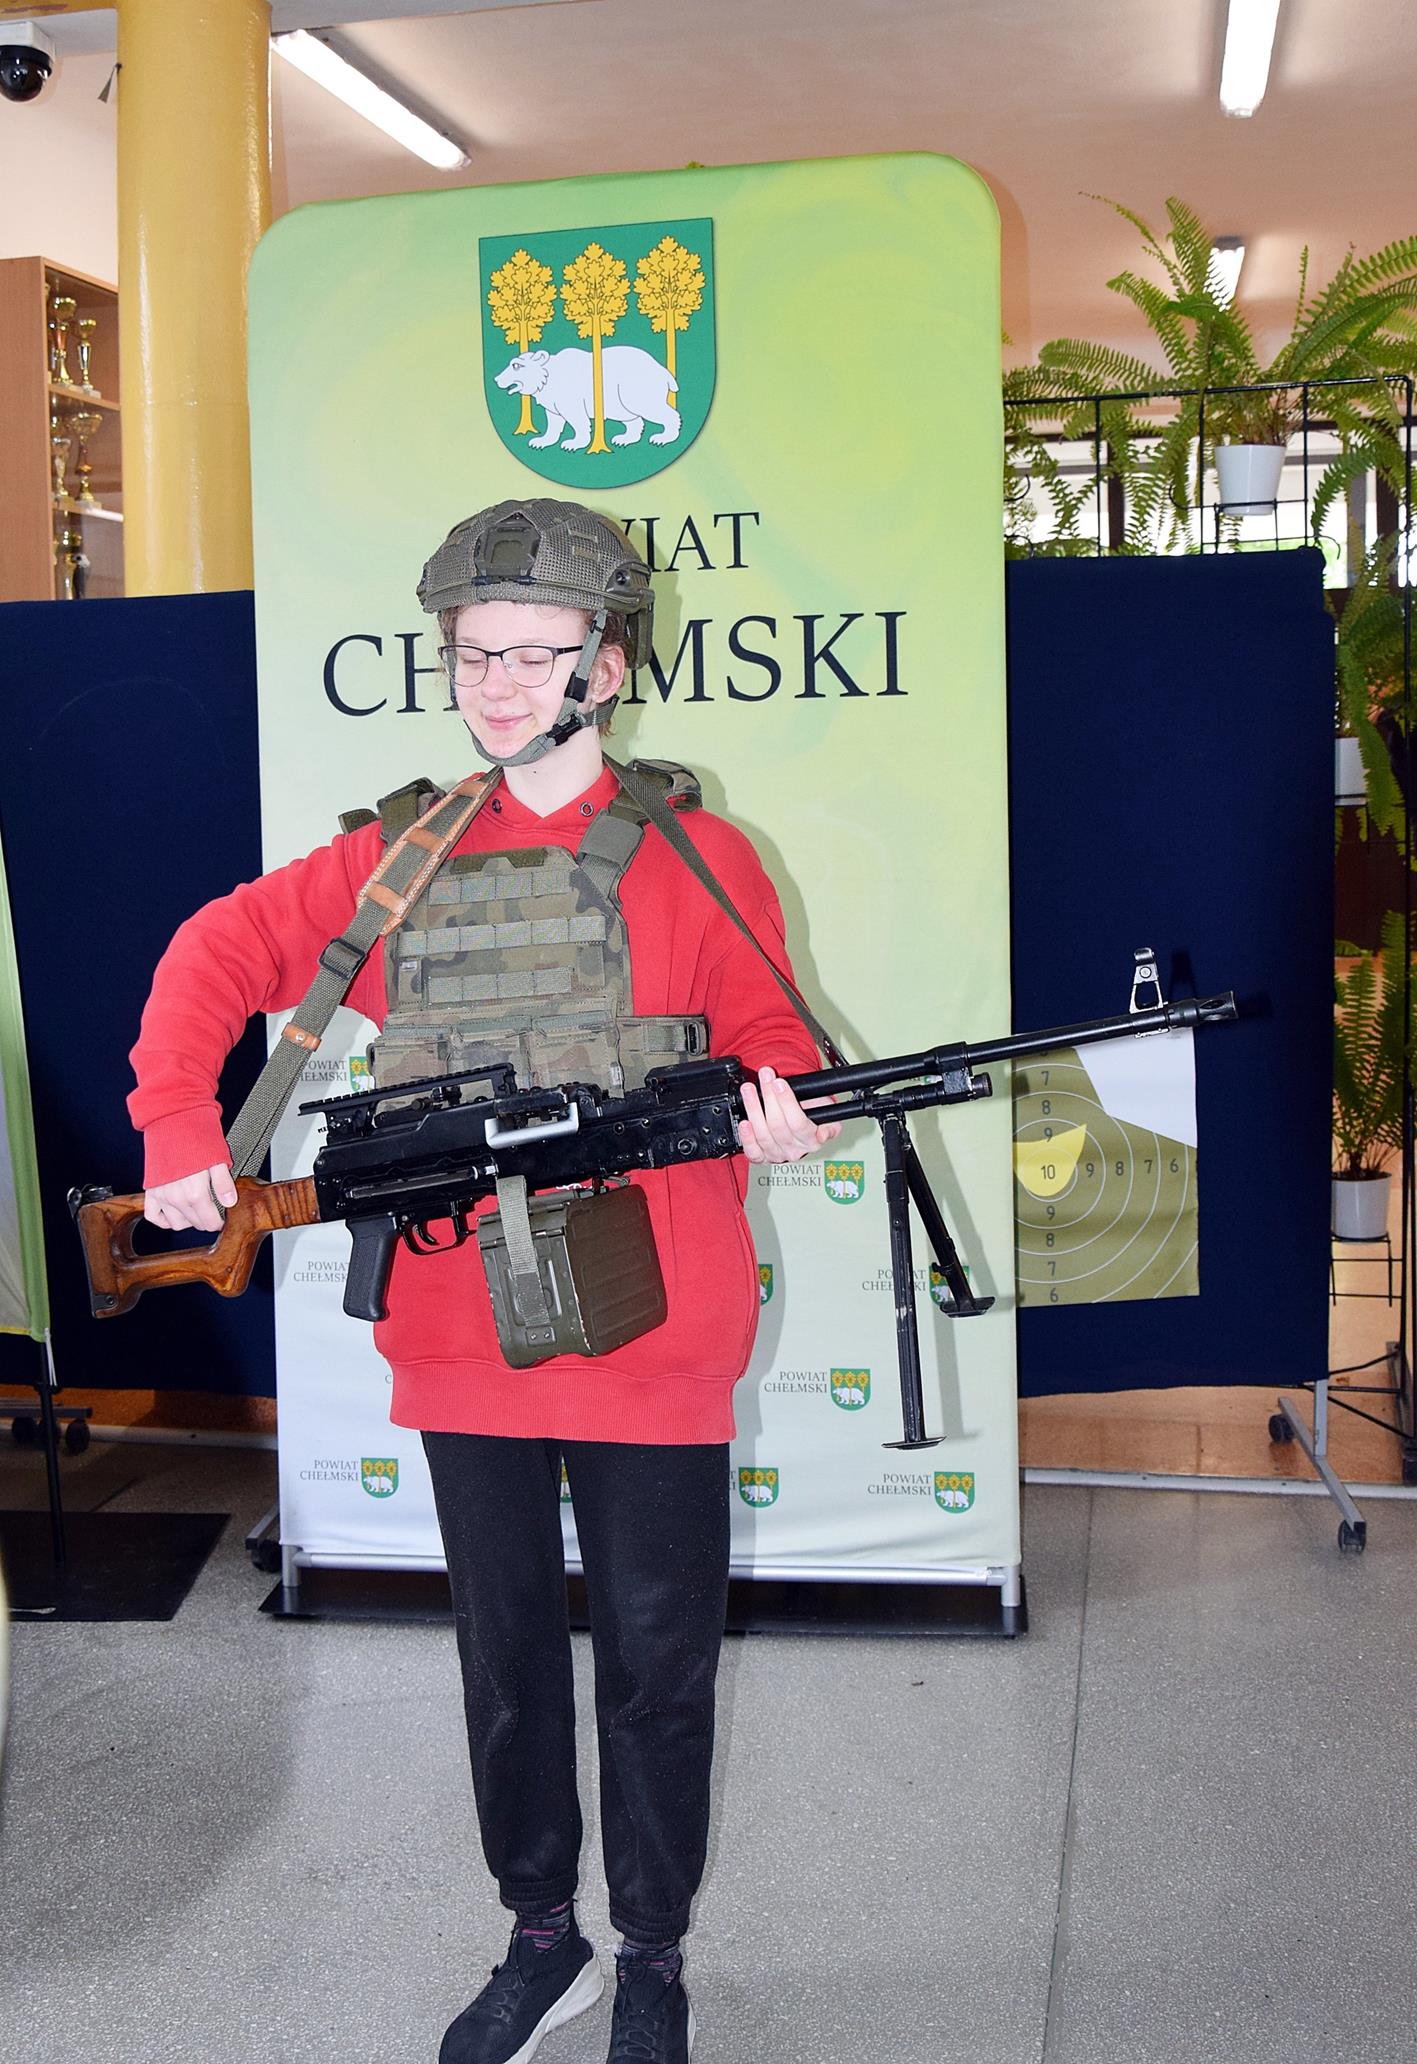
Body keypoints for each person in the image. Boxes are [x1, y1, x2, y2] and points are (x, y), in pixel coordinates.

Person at [129, 497, 840, 2064]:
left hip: (655, 1321)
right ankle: (541, 1937)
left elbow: (772, 1037)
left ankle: (650, 1954)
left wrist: (782, 1103)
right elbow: (211, 956)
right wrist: (179, 1125)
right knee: (505, 1664)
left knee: (656, 1669)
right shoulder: (395, 860)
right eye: (472, 655)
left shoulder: (701, 854)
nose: (498, 685)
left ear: (609, 663)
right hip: (464, 1329)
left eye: (533, 654)